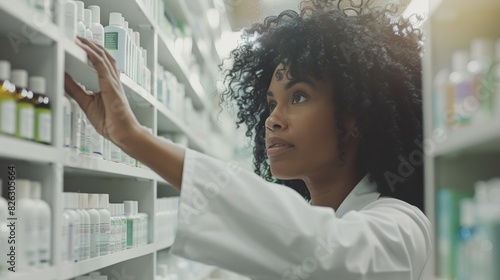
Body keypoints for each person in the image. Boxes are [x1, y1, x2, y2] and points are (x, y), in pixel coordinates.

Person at [65, 0, 432, 279]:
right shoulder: (301, 215)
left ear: (355, 117)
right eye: (271, 103)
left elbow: (321, 246)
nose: (272, 119)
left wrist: (134, 138)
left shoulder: (403, 226)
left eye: (299, 96)